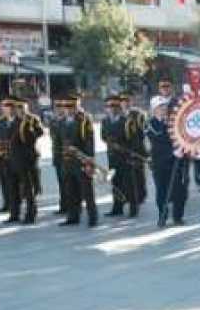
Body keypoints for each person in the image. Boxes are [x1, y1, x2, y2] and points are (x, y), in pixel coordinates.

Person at [146, 96, 188, 227]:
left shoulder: (173, 122)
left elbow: (181, 136)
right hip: (159, 163)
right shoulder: (150, 124)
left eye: (164, 106)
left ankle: (178, 216)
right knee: (161, 191)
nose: (163, 109)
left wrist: (182, 147)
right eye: (160, 107)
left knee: (179, 191)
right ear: (154, 109)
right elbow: (156, 144)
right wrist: (171, 152)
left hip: (175, 162)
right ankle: (162, 215)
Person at [57, 95, 98, 227]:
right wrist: (60, 158)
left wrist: (89, 161)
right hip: (67, 161)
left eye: (71, 107)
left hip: (81, 160)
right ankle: (73, 216)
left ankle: (92, 217)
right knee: (70, 190)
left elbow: (89, 141)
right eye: (66, 107)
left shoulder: (84, 121)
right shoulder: (61, 121)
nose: (68, 109)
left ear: (77, 106)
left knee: (87, 191)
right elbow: (58, 142)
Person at [101, 95, 144, 218]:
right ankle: (117, 207)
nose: (112, 108)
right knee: (115, 183)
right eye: (109, 106)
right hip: (112, 156)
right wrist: (110, 142)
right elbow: (103, 136)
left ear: (119, 107)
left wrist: (128, 151)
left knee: (129, 183)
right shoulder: (105, 121)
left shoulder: (127, 121)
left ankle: (133, 208)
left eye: (115, 106)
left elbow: (134, 140)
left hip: (125, 157)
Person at [5, 98, 43, 224]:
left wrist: (29, 129)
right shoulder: (13, 121)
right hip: (12, 158)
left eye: (22, 108)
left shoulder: (30, 121)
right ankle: (14, 213)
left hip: (26, 159)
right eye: (18, 108)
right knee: (13, 188)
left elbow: (36, 135)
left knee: (28, 188)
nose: (20, 110)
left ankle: (31, 214)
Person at [119, 93, 147, 205]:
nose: (125, 103)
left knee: (138, 173)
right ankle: (128, 196)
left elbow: (143, 132)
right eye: (123, 101)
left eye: (127, 101)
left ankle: (141, 195)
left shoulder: (138, 114)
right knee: (126, 174)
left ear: (131, 101)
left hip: (137, 148)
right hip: (124, 149)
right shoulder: (119, 114)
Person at [49, 98, 69, 214]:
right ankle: (64, 205)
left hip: (67, 155)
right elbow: (53, 137)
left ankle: (73, 204)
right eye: (56, 107)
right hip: (57, 155)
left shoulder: (67, 120)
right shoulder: (53, 121)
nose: (58, 109)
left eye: (61, 106)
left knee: (69, 182)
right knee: (61, 182)